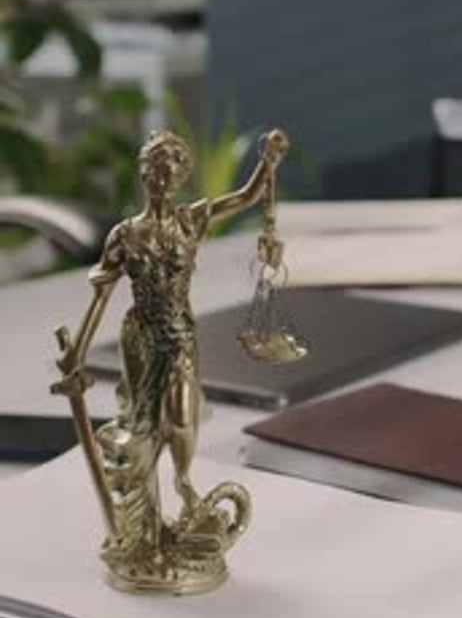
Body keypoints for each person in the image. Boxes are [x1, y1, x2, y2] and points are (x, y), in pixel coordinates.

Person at [53, 127, 288, 590]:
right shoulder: (126, 235)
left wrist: (268, 161)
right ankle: (143, 537)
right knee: (143, 429)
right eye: (155, 170)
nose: (162, 179)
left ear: (181, 176)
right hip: (141, 337)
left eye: (171, 170)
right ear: (144, 175)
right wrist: (76, 352)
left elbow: (245, 197)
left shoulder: (191, 220)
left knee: (181, 418)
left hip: (180, 334)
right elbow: (101, 296)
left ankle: (182, 484)